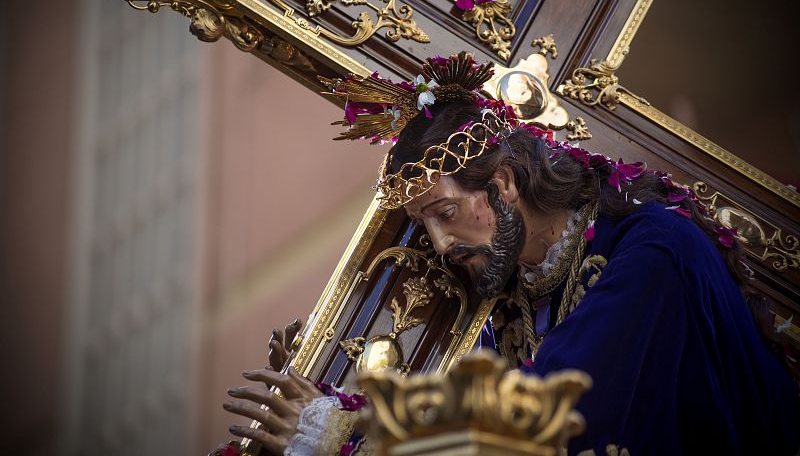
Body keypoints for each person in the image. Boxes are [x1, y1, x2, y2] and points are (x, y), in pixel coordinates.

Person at [216, 53, 800, 455]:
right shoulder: (515, 294)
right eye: (425, 224)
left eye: (445, 214)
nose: (441, 245)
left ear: (506, 184)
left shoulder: (653, 255)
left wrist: (342, 432)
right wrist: (334, 396)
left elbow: (540, 421)